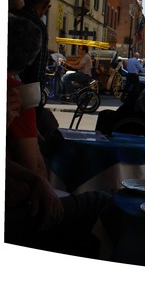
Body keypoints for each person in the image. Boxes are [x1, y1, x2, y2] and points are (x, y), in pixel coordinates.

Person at [6, 14, 110, 258]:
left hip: (20, 202)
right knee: (102, 203)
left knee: (66, 78)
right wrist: (37, 180)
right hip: (16, 210)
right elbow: (32, 165)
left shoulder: (14, 95)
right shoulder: (15, 95)